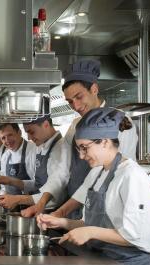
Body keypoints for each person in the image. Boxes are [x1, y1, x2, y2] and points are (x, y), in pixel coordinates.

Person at [37, 107, 150, 265]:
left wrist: (90, 232)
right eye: (79, 149)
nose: (82, 156)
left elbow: (137, 235)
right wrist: (60, 222)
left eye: (85, 148)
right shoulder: (98, 172)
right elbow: (90, 222)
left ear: (104, 141)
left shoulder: (132, 176)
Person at [52, 59, 138, 219]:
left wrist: (62, 211)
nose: (76, 106)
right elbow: (62, 169)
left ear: (94, 89)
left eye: (79, 97)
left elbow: (109, 173)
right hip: (75, 208)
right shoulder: (75, 124)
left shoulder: (118, 121)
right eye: (70, 101)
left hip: (105, 209)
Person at [0, 115, 70, 216]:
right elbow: (38, 184)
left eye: (31, 132)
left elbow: (56, 187)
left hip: (53, 213)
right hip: (40, 210)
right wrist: (11, 181)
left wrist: (18, 199)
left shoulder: (61, 148)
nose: (29, 138)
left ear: (46, 124)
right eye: (27, 133)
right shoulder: (42, 147)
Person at [0, 123, 36, 197]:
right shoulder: (5, 156)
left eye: (10, 135)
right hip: (11, 205)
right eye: (3, 138)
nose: (7, 140)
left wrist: (12, 181)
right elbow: (4, 188)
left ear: (19, 133)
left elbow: (39, 184)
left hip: (30, 204)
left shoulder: (33, 150)